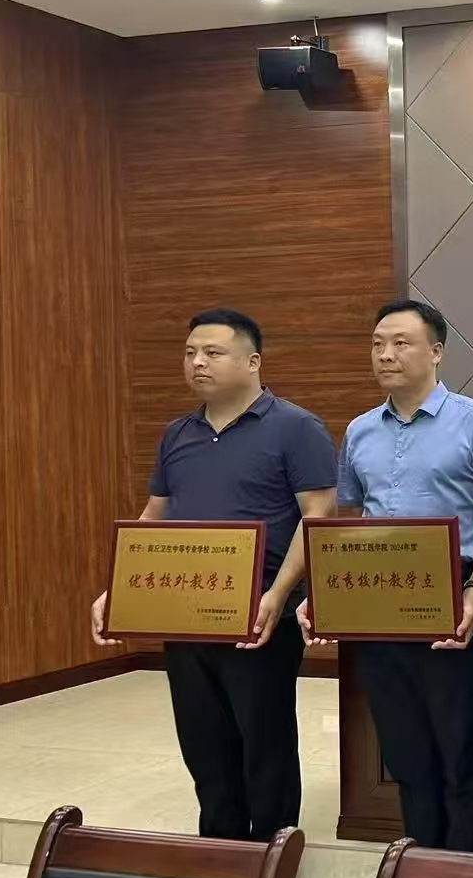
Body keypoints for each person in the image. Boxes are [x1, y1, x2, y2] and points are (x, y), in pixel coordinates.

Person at [302, 299, 473, 878]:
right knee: (405, 752)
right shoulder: (360, 431)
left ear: (436, 351)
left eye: (401, 342)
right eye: (378, 344)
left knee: (460, 749)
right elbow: (352, 520)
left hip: (455, 599)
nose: (386, 355)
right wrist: (327, 592)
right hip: (381, 604)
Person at [91, 309, 337, 842]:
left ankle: (272, 851)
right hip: (186, 612)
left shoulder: (296, 428)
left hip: (259, 616)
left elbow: (317, 517)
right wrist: (119, 588)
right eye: (190, 353)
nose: (197, 362)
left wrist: (278, 593)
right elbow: (154, 516)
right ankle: (220, 847)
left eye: (212, 352)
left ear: (252, 361)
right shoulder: (177, 434)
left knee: (264, 740)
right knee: (203, 740)